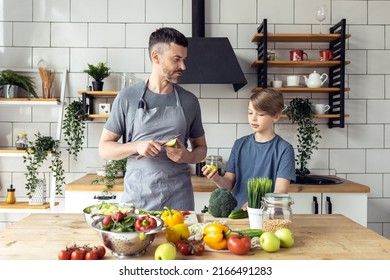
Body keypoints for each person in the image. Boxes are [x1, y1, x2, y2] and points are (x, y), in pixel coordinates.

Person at [98, 27, 207, 211]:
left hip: (179, 200)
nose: (183, 66)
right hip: (138, 199)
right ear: (156, 57)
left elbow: (201, 148)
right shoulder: (127, 97)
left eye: (184, 59)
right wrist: (136, 146)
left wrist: (188, 156)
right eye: (177, 59)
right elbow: (104, 149)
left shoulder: (189, 101)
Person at [202, 89, 296, 210]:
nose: (254, 118)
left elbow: (280, 192)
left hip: (267, 217)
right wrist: (216, 178)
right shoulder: (239, 144)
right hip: (237, 214)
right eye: (250, 113)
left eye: (260, 114)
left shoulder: (284, 149)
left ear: (276, 115)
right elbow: (229, 185)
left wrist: (256, 205)